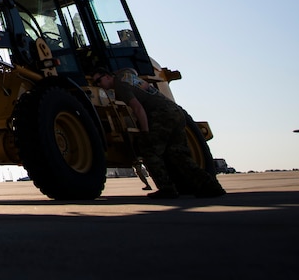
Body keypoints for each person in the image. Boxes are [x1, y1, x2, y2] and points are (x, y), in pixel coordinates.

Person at [91, 68, 225, 200]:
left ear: (108, 76)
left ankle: (167, 189)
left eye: (99, 81)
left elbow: (138, 109)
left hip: (161, 114)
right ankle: (211, 186)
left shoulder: (120, 86)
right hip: (175, 112)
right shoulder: (126, 75)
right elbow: (133, 70)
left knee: (149, 150)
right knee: (179, 154)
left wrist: (145, 132)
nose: (98, 85)